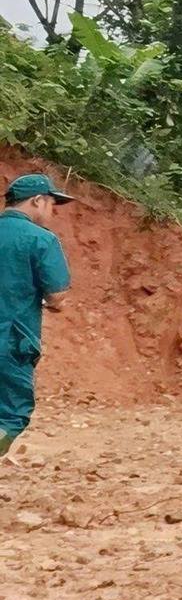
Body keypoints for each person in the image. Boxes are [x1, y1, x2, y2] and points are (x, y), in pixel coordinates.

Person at [1, 174, 72, 462]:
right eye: (52, 204)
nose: (53, 212)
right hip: (11, 341)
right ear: (37, 200)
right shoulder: (41, 240)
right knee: (12, 415)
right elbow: (57, 295)